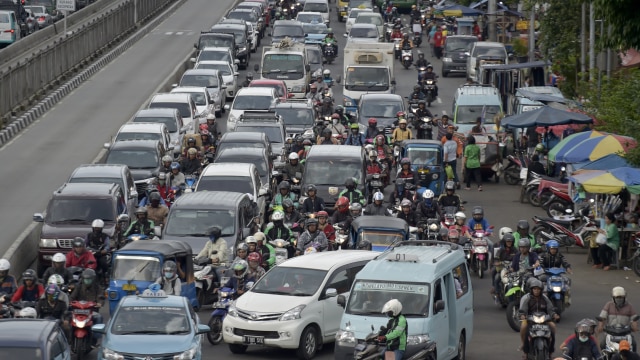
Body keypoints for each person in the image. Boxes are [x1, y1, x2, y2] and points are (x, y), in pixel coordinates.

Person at [519, 279, 559, 355]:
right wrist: (523, 315)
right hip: (530, 319)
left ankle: (550, 351)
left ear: (541, 290)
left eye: (538, 289)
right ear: (531, 290)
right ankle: (524, 348)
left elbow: (550, 309)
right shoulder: (528, 299)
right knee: (524, 327)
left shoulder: (545, 299)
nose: (536, 291)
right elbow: (523, 310)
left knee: (553, 329)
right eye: (534, 289)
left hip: (544, 319)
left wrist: (554, 315)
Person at [69, 268, 104, 344]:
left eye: (89, 279)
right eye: (85, 279)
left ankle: (95, 338)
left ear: (93, 279)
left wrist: (99, 303)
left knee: (99, 317)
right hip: (78, 311)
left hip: (91, 311)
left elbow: (100, 297)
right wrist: (70, 302)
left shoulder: (98, 288)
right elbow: (72, 297)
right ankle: (68, 339)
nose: (87, 281)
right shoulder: (79, 287)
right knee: (67, 318)